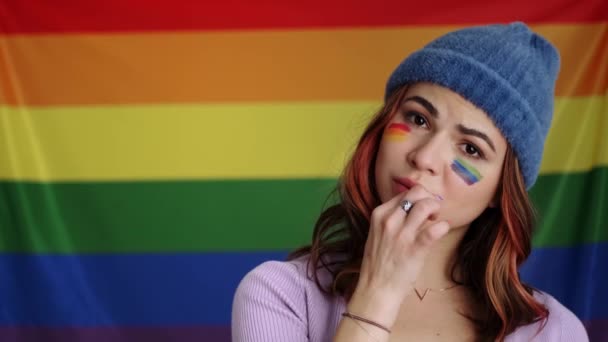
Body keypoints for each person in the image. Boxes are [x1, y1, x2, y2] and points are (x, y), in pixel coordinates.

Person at [231, 22, 589, 341]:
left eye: (470, 148)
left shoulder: (552, 331)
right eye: (418, 119)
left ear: (500, 190)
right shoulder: (279, 295)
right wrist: (377, 295)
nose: (425, 157)